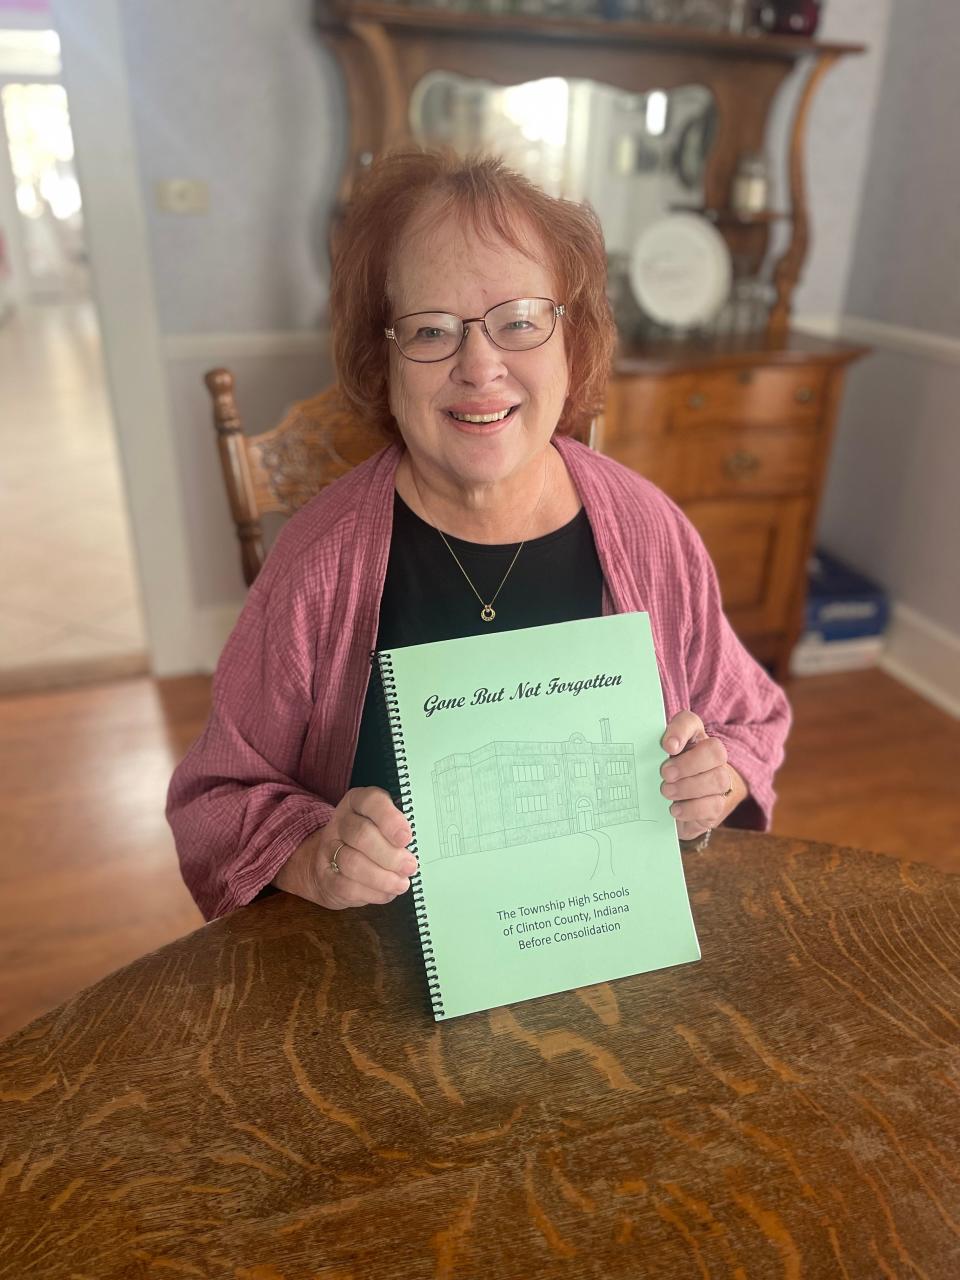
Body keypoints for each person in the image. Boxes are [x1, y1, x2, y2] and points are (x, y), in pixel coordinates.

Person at [167, 148, 791, 922]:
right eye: (431, 331)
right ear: (383, 359)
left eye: (520, 322)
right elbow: (214, 800)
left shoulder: (650, 532)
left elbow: (751, 721)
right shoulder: (318, 565)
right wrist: (314, 853)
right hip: (373, 982)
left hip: (606, 950)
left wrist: (713, 780)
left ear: (575, 342)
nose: (480, 365)